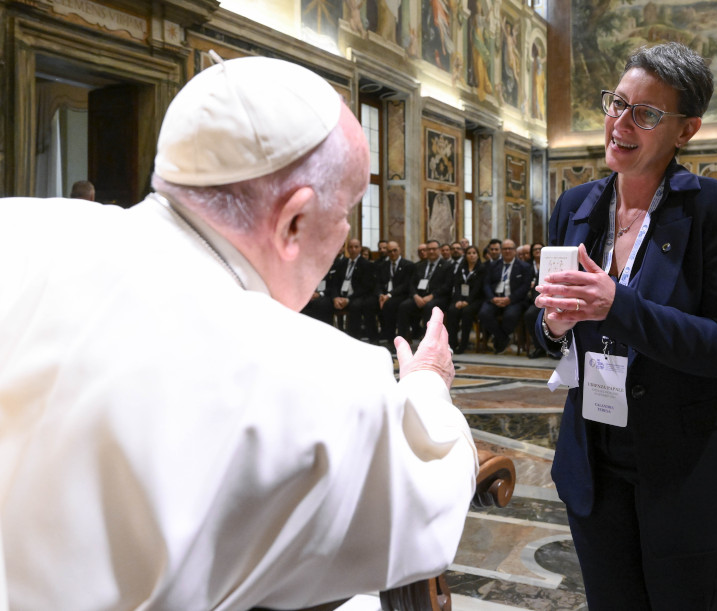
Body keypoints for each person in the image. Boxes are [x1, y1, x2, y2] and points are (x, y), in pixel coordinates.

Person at [0, 56, 477, 609]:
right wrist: (426, 385)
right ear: (294, 221)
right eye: (346, 212)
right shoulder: (306, 372)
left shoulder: (19, 228)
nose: (347, 232)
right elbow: (422, 501)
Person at [533, 43, 717, 610]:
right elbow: (543, 329)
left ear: (685, 130)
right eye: (618, 103)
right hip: (595, 455)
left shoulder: (715, 209)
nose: (621, 122)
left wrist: (620, 306)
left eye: (647, 113)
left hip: (684, 461)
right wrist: (556, 325)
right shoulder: (575, 207)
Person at [478, 238, 531, 354]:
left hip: (514, 300)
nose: (507, 251)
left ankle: (499, 340)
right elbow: (486, 284)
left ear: (514, 251)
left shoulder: (524, 267)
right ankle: (503, 338)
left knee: (510, 316)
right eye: (505, 249)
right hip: (495, 299)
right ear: (501, 251)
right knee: (483, 313)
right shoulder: (493, 266)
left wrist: (509, 299)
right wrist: (492, 298)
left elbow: (525, 287)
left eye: (510, 249)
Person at [446, 245, 486, 354]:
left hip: (475, 300)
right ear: (466, 255)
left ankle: (463, 344)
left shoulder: (481, 269)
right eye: (469, 253)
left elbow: (478, 288)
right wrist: (459, 300)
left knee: (466, 312)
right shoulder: (461, 268)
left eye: (474, 253)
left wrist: (467, 301)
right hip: (460, 299)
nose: (472, 255)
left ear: (478, 255)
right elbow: (457, 285)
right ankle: (452, 343)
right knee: (452, 310)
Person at [378, 240, 415, 346]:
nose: (392, 253)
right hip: (386, 296)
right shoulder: (383, 266)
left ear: (399, 250)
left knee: (392, 305)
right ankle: (389, 339)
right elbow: (379, 283)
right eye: (390, 251)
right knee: (375, 303)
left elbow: (406, 284)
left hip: (402, 295)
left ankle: (400, 340)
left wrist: (389, 295)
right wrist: (381, 294)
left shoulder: (408, 265)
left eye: (395, 250)